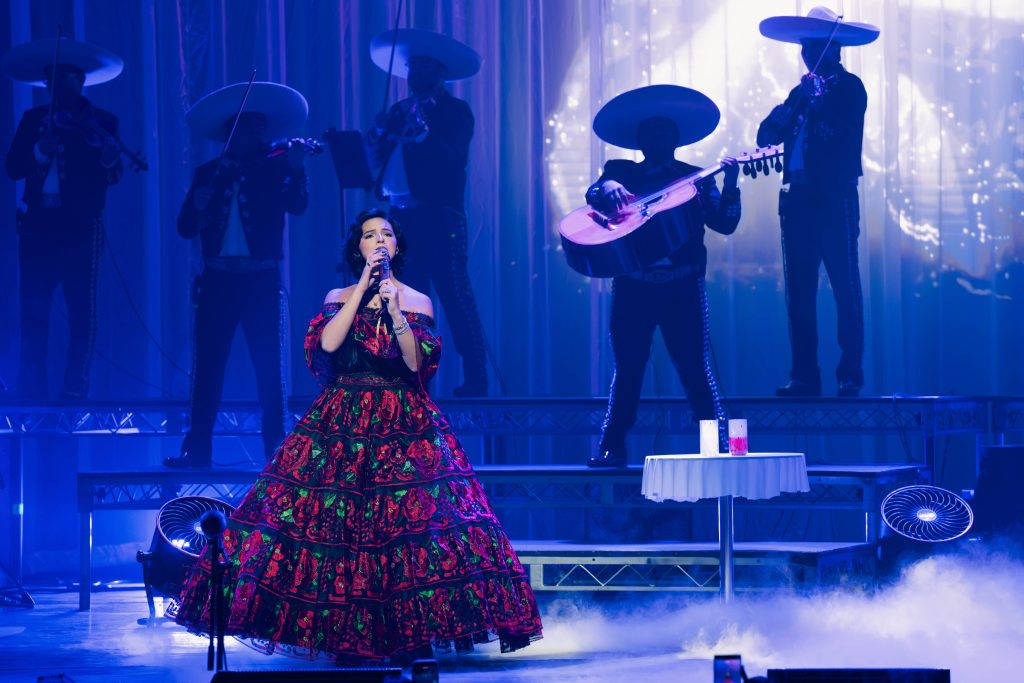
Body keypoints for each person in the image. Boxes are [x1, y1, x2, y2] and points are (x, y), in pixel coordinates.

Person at [171, 209, 543, 661]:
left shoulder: (418, 300)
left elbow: (413, 365)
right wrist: (362, 290)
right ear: (359, 248)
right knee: (334, 529)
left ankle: (407, 635)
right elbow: (328, 346)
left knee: (407, 529)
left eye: (387, 233)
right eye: (370, 235)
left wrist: (393, 309)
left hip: (403, 423)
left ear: (398, 246)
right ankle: (342, 636)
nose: (380, 240)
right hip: (341, 418)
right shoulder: (338, 295)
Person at [583, 85, 741, 468]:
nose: (659, 139)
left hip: (682, 287)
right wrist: (609, 187)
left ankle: (713, 448)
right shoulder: (622, 171)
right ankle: (612, 446)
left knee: (694, 370)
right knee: (629, 369)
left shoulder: (697, 177)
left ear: (675, 139)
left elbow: (725, 223)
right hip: (634, 286)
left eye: (665, 133)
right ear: (640, 141)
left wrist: (732, 183)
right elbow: (593, 192)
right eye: (651, 133)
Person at [165, 82, 310, 468]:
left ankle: (275, 452)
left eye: (260, 132)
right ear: (233, 134)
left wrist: (296, 170)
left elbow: (298, 205)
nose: (256, 138)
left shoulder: (277, 168)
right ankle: (197, 450)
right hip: (218, 281)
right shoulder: (209, 173)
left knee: (269, 370)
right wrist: (197, 206)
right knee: (208, 368)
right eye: (247, 131)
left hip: (259, 281)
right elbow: (184, 227)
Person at [756, 6, 879, 397]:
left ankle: (850, 372)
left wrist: (817, 100)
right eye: (805, 47)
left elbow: (842, 130)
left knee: (845, 287)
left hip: (834, 198)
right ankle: (804, 375)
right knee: (800, 292)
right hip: (797, 201)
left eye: (815, 46)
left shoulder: (850, 87)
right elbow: (765, 136)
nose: (808, 53)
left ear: (835, 51)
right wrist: (798, 103)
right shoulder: (799, 93)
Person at [365, 29, 489, 397]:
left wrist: (421, 135)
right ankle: (412, 374)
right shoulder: (399, 111)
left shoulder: (455, 111)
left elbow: (452, 158)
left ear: (440, 73)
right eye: (412, 66)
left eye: (424, 67)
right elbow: (375, 163)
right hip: (402, 217)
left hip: (440, 216)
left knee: (454, 295)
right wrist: (378, 132)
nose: (415, 73)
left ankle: (476, 376)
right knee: (405, 298)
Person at [3, 37, 125, 400]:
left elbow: (114, 174)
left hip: (80, 227)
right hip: (39, 224)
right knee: (33, 307)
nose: (61, 90)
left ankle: (76, 384)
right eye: (54, 83)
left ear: (80, 83)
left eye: (68, 82)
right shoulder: (34, 120)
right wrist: (40, 151)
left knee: (80, 310)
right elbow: (12, 168)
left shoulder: (101, 122)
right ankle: (31, 383)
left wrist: (107, 156)